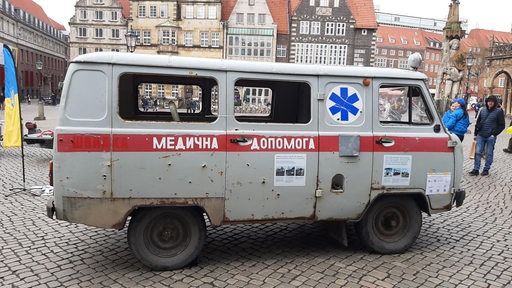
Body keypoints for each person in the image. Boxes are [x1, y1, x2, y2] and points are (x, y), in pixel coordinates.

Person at [469, 95, 506, 176]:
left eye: (492, 102)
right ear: (486, 102)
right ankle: (476, 169)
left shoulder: (498, 112)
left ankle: (486, 169)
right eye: (489, 101)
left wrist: (494, 134)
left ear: (495, 103)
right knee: (478, 152)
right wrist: (475, 133)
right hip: (481, 135)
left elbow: (502, 125)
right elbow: (478, 123)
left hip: (490, 137)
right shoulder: (483, 110)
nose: (490, 103)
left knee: (489, 153)